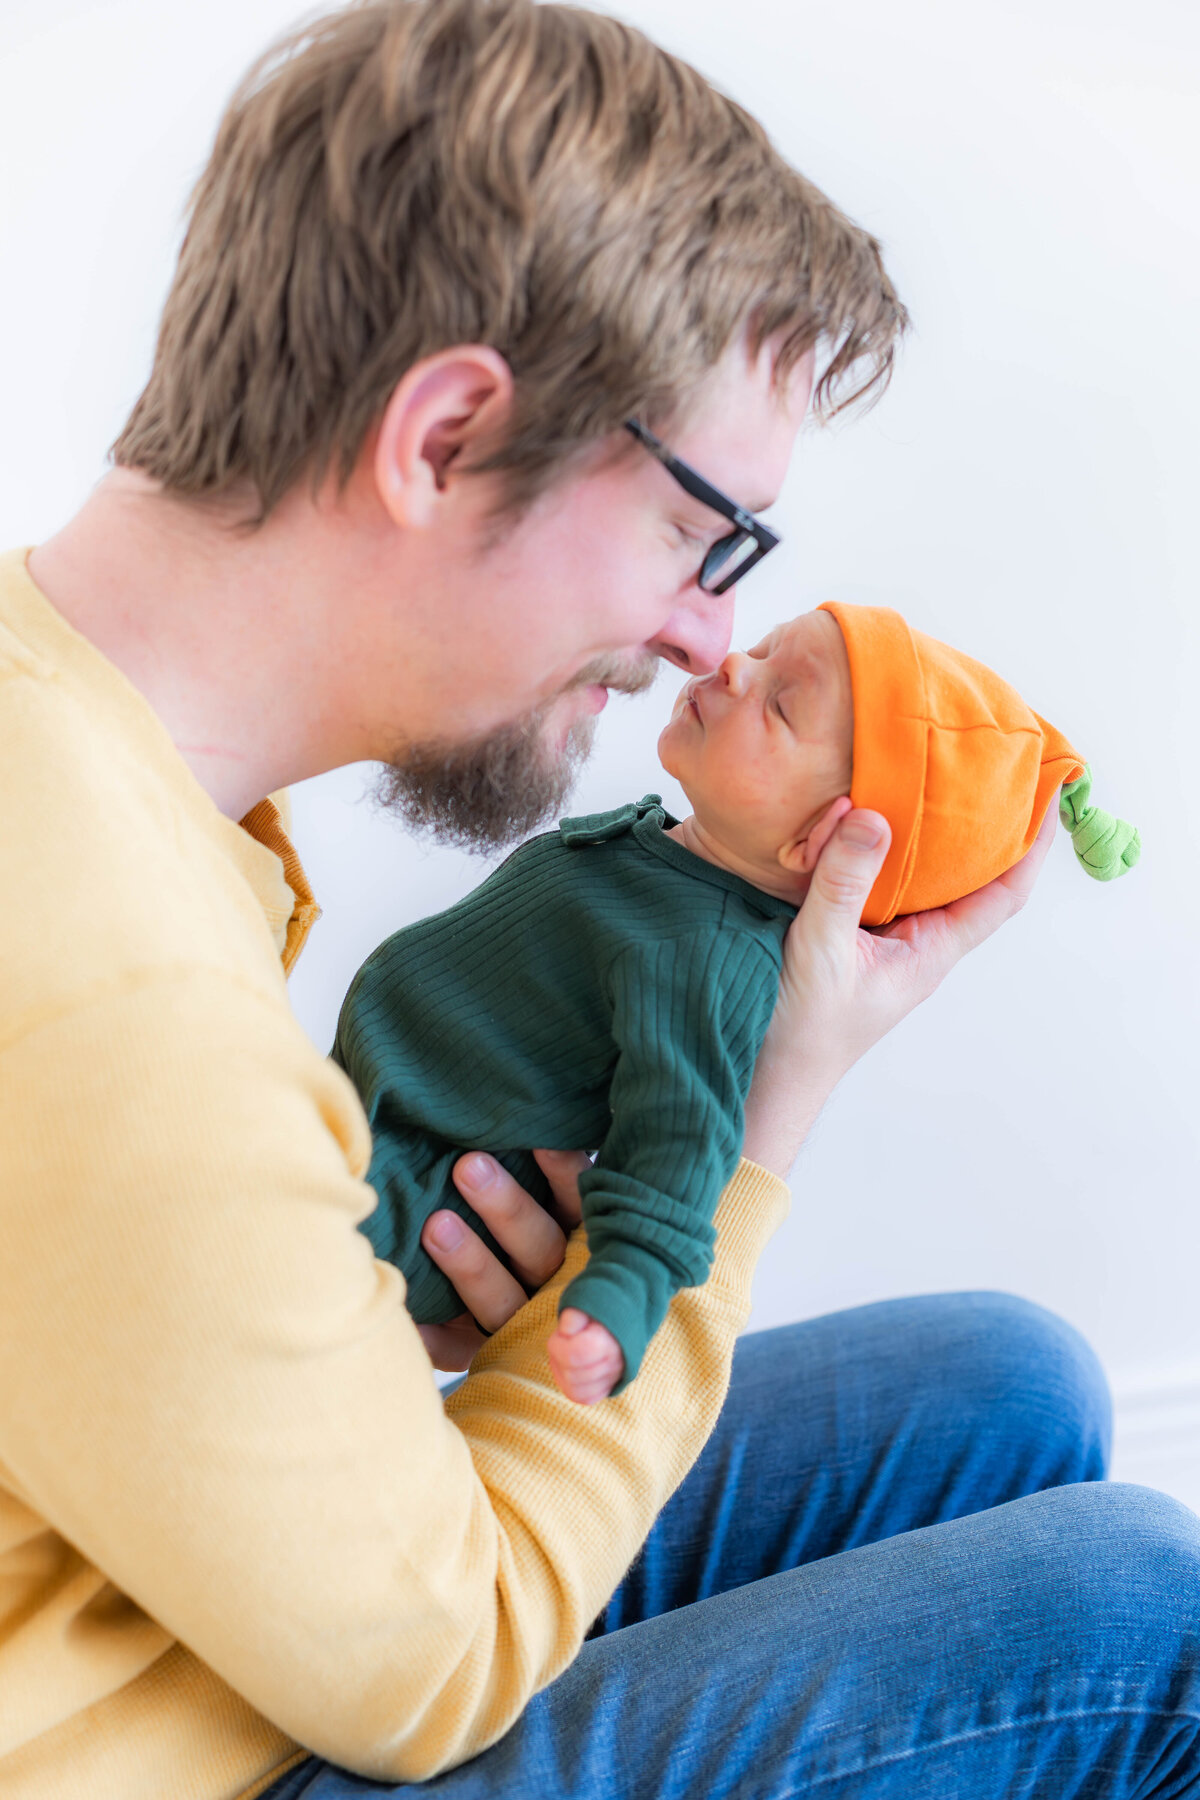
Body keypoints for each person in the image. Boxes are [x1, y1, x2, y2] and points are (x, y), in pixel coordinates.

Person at [0, 2, 1195, 1798]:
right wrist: (763, 1129)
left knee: (1012, 1384)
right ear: (446, 435)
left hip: (181, 1569)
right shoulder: (116, 993)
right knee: (1144, 1619)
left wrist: (371, 1337)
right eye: (697, 533)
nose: (707, 633)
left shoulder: (82, 749)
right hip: (153, 1741)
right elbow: (437, 1670)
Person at [332, 602, 1140, 1406]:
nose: (732, 665)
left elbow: (679, 1141)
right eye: (761, 650)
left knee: (273, 1259)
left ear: (821, 846)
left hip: (421, 1186)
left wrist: (618, 1299)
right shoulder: (664, 855)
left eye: (781, 702)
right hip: (366, 1105)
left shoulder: (709, 957)